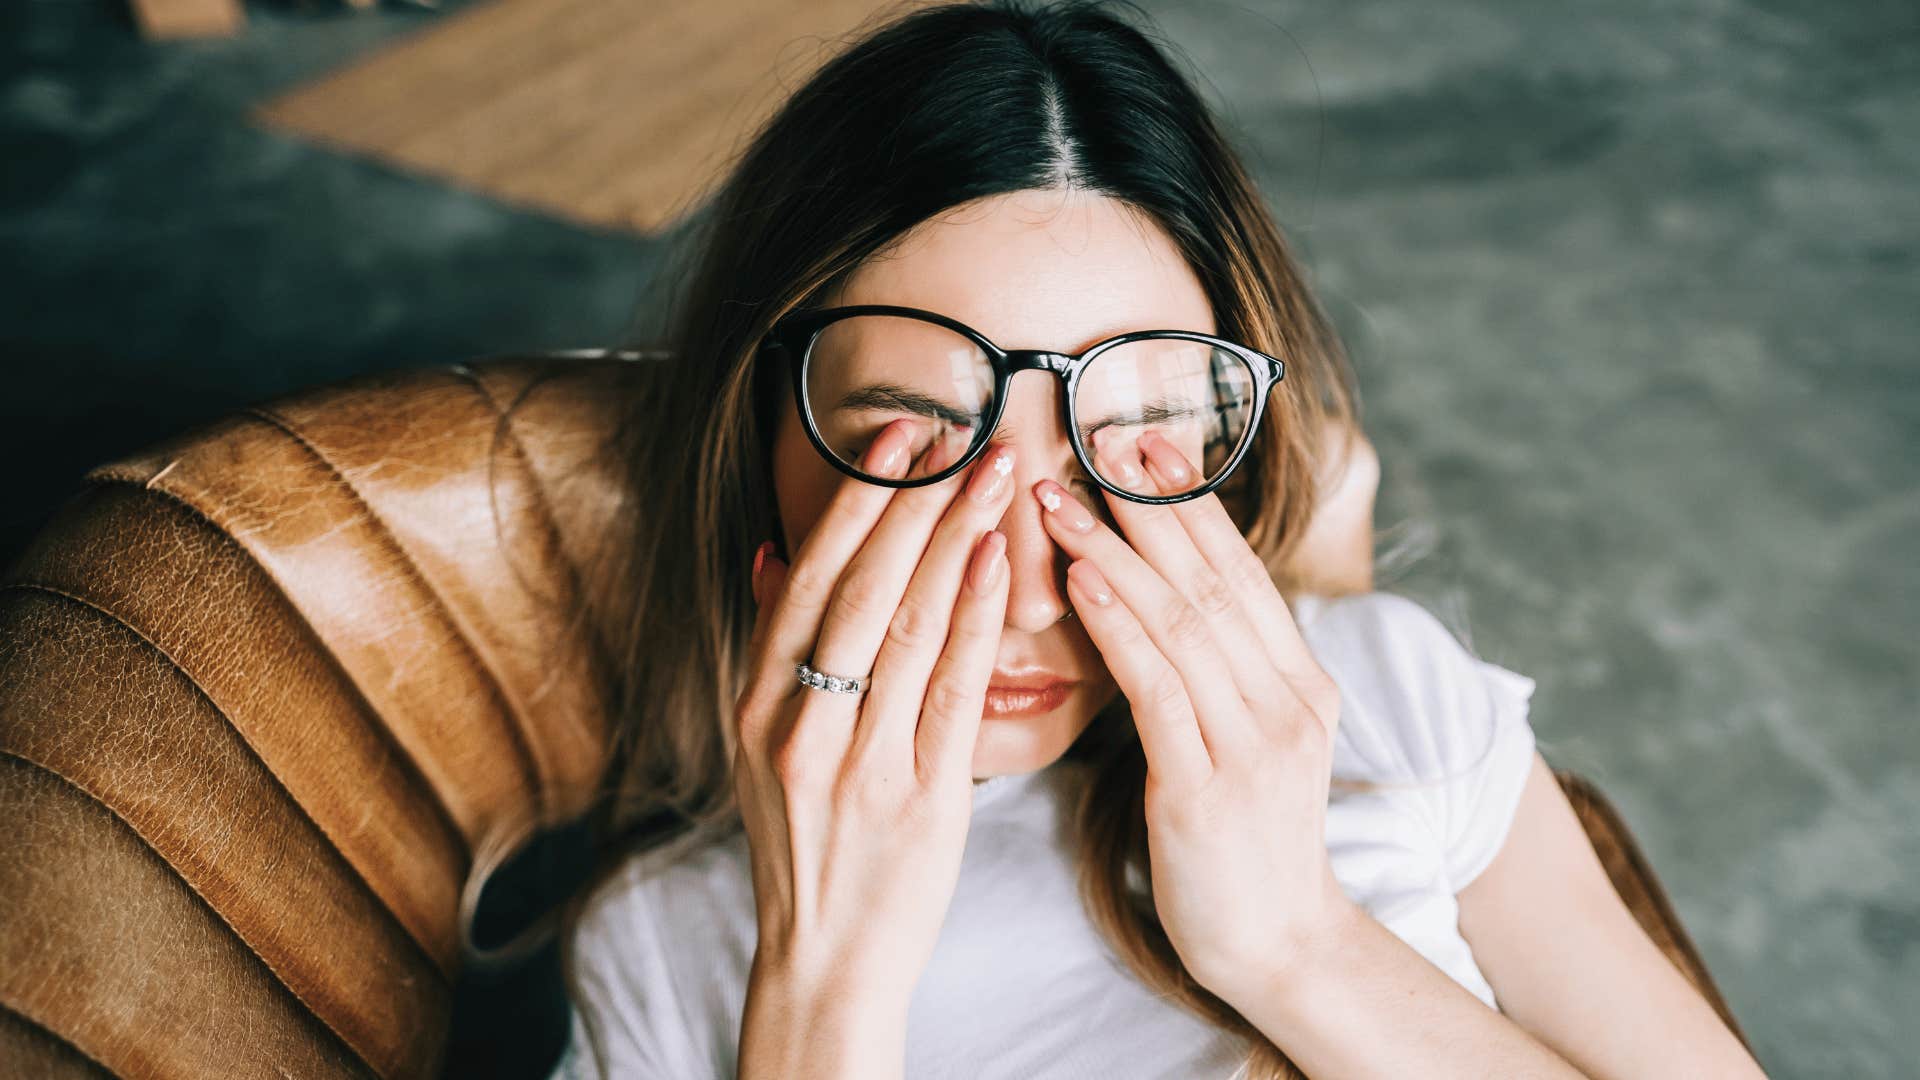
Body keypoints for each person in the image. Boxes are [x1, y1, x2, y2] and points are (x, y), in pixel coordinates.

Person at [545, 2, 1769, 1077]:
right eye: (919, 451)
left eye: (1133, 449)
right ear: (760, 454)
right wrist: (823, 989)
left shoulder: (1383, 696)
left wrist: (1294, 941)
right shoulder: (665, 942)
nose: (1028, 594)